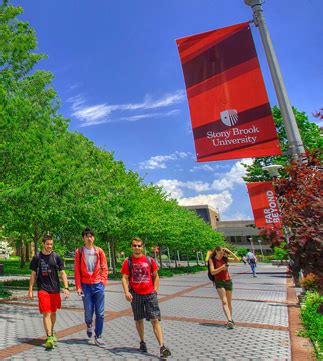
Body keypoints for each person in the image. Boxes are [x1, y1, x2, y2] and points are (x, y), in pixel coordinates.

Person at [121, 237, 171, 359]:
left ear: (143, 247)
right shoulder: (128, 261)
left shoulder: (150, 260)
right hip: (136, 294)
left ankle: (161, 346)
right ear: (131, 247)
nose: (137, 248)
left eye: (139, 245)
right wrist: (127, 292)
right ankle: (142, 342)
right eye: (134, 245)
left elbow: (156, 276)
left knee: (155, 319)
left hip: (150, 294)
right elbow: (124, 278)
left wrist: (155, 290)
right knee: (139, 319)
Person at [28, 234, 70, 349]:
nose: (49, 246)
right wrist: (30, 290)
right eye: (47, 244)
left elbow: (62, 273)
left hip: (55, 289)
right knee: (46, 312)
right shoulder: (37, 257)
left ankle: (51, 330)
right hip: (43, 289)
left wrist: (66, 287)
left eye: (51, 244)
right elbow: (33, 274)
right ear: (43, 244)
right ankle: (49, 336)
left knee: (53, 313)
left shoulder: (56, 257)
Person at [74, 227, 108, 347]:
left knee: (100, 313)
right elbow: (77, 270)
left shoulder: (99, 251)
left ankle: (98, 336)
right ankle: (89, 324)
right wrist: (78, 286)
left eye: (91, 236)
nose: (89, 238)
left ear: (93, 238)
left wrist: (103, 282)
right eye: (87, 236)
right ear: (83, 238)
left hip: (98, 284)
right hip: (85, 285)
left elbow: (104, 267)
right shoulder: (79, 252)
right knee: (89, 311)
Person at [208, 246, 239, 329]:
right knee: (224, 301)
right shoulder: (212, 260)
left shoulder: (224, 259)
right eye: (220, 253)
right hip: (219, 282)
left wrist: (230, 251)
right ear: (216, 252)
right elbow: (213, 272)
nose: (222, 254)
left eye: (223, 253)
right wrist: (222, 268)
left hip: (228, 281)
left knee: (229, 302)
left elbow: (237, 260)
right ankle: (229, 320)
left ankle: (231, 320)